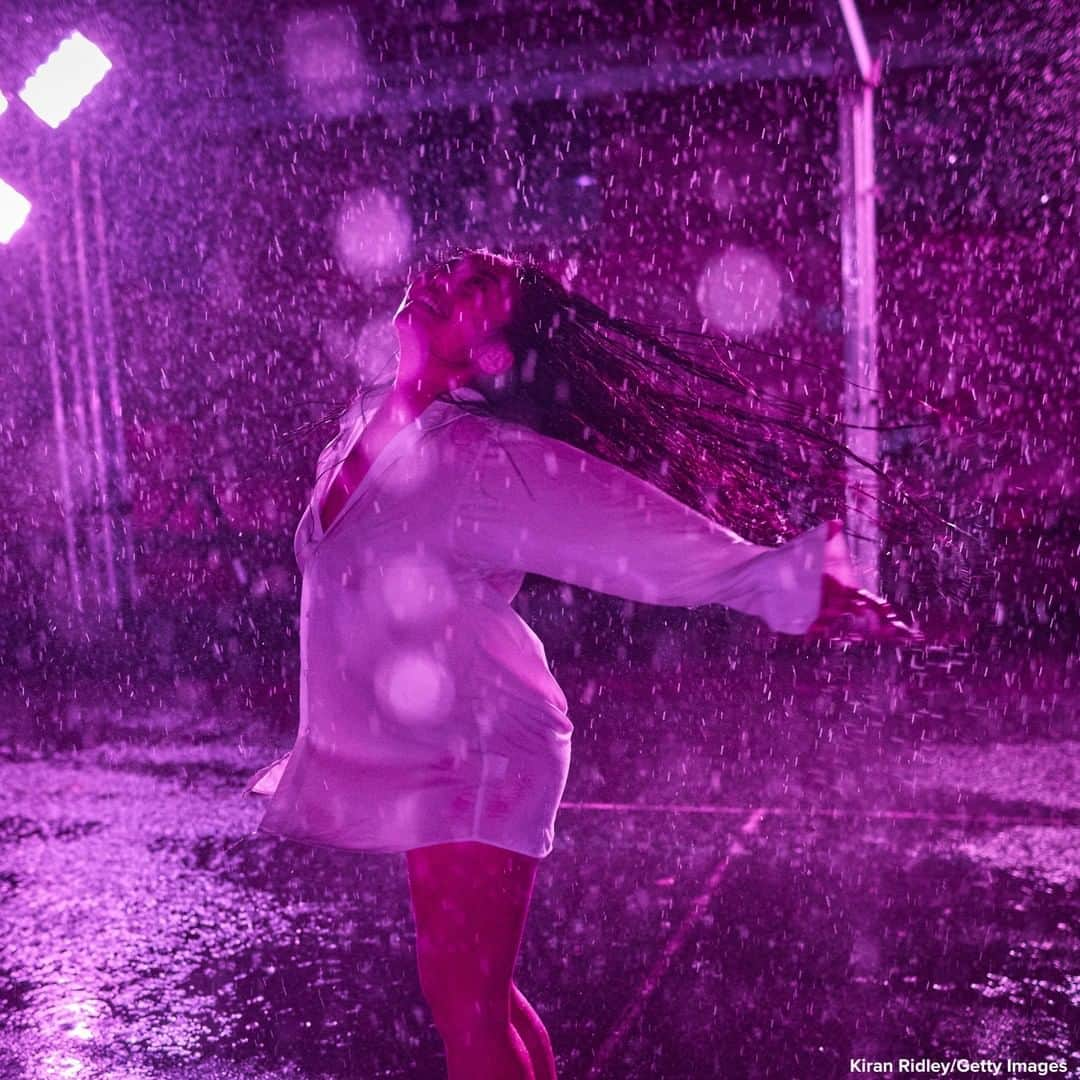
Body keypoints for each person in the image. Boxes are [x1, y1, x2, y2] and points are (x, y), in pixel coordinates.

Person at [243, 248, 921, 1080]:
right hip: (434, 741)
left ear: (493, 350)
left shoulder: (477, 456)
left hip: (484, 747)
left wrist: (785, 584)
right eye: (450, 269)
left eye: (473, 289)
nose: (439, 281)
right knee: (470, 997)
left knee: (469, 1010)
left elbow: (632, 534)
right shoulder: (370, 419)